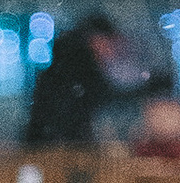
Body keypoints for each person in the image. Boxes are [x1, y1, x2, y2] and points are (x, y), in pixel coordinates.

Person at [23, 12, 127, 149]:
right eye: (108, 43)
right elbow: (94, 101)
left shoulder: (65, 65)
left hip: (48, 142)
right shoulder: (82, 70)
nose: (111, 50)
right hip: (64, 146)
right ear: (95, 40)